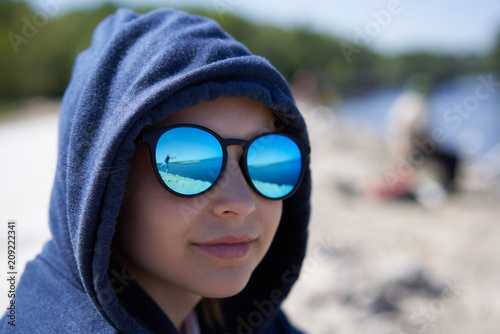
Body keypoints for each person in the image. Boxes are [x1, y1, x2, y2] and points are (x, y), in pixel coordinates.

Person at [1, 7, 311, 334]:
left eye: (268, 160)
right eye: (188, 161)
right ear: (106, 181)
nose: (242, 202)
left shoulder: (239, 316)